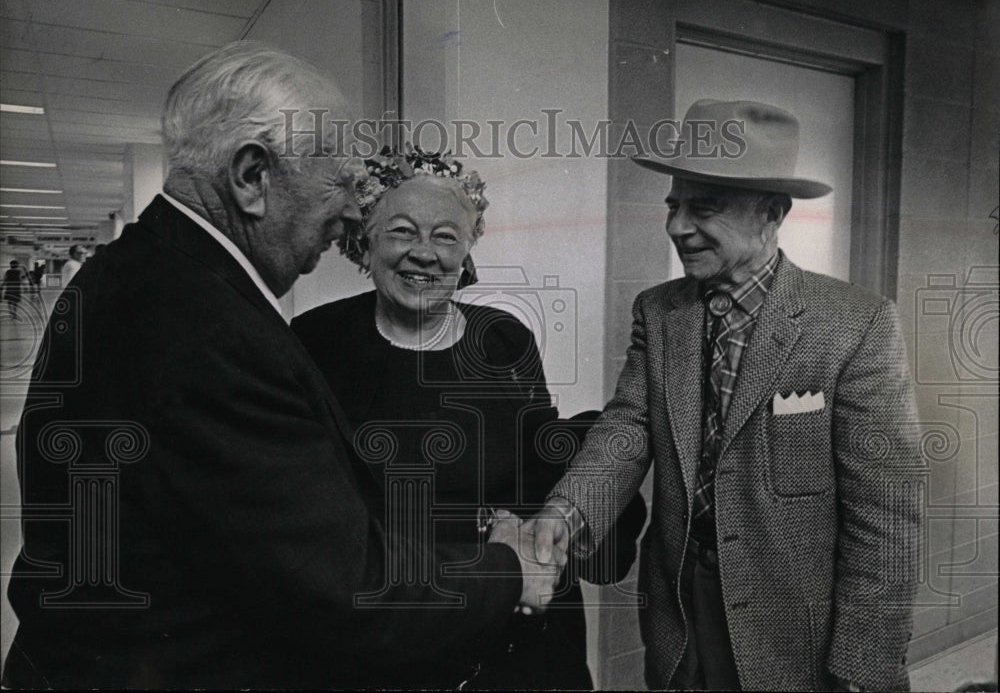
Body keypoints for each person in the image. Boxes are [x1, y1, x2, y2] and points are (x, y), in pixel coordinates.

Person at [3, 42, 560, 690]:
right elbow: (346, 588)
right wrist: (512, 571)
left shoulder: (145, 274)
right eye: (340, 184)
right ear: (251, 177)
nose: (353, 212)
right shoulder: (208, 326)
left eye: (446, 237)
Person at [529, 100, 923, 692]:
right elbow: (628, 427)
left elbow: (887, 513)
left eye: (703, 207)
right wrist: (567, 512)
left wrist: (863, 662)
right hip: (681, 607)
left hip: (798, 624)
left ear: (772, 213)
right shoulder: (659, 312)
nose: (677, 226)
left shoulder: (856, 323)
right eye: (674, 205)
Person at [291, 146, 647, 689]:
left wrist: (542, 527)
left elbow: (537, 462)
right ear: (365, 240)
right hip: (386, 623)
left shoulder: (504, 337)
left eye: (445, 237)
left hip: (501, 623)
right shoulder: (316, 341)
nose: (424, 254)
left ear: (469, 248)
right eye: (402, 232)